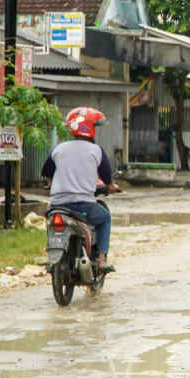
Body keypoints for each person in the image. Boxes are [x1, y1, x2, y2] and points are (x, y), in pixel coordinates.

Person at [42, 107, 120, 271]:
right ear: (90, 128)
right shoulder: (96, 150)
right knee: (105, 219)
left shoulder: (58, 149)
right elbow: (108, 180)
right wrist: (112, 187)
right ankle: (101, 259)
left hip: (57, 205)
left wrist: (52, 184)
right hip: (84, 205)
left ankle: (52, 257)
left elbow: (47, 172)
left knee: (51, 225)